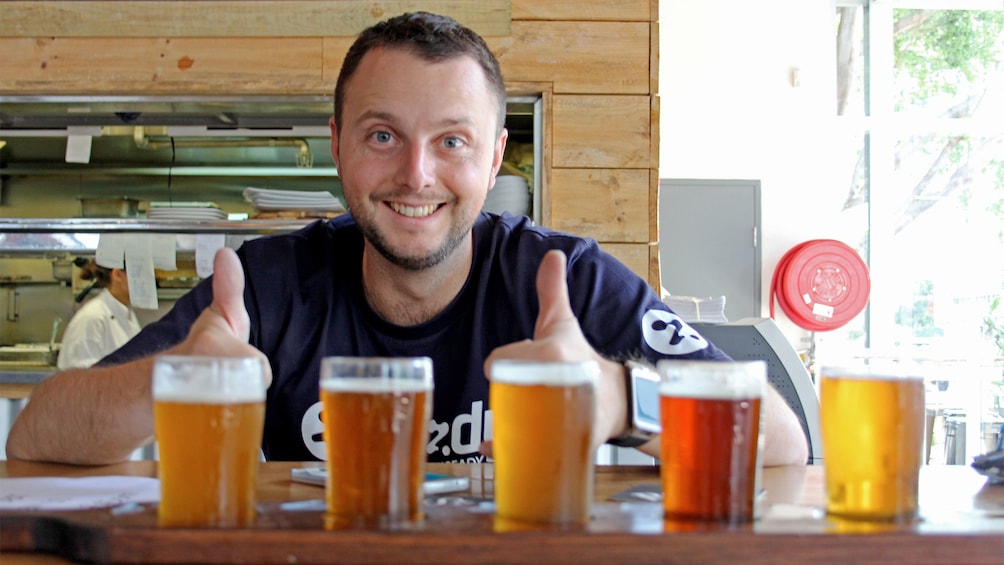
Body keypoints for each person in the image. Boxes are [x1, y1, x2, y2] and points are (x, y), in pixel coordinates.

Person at [7, 11, 808, 467]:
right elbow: (41, 431)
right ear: (337, 142)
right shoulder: (264, 284)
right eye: (383, 135)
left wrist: (615, 397)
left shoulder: (566, 278)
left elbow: (779, 440)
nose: (416, 175)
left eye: (452, 141)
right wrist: (173, 380)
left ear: (495, 157)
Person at [56, 258, 141, 370]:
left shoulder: (127, 313)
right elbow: (83, 376)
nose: (149, 282)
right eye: (139, 274)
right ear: (117, 275)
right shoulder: (93, 317)